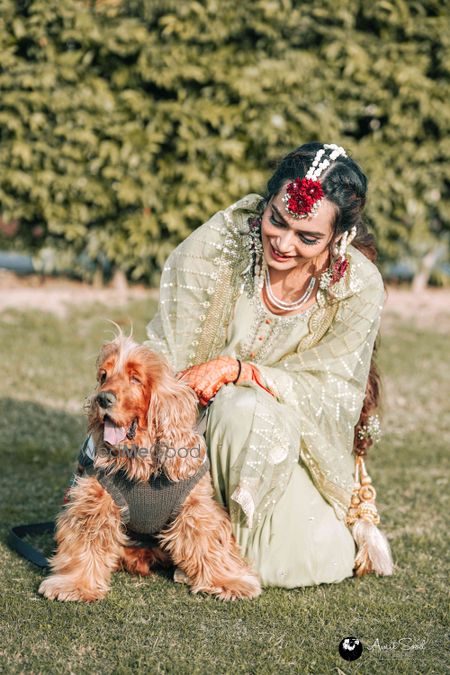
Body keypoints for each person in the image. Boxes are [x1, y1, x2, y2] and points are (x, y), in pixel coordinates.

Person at [78, 142, 393, 588]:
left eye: (307, 238)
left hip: (293, 441)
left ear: (337, 239)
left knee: (313, 553)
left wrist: (240, 371)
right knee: (235, 409)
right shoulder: (220, 244)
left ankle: (208, 550)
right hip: (197, 433)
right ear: (263, 207)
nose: (283, 244)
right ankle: (187, 534)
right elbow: (164, 356)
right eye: (276, 221)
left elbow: (334, 389)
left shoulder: (357, 287)